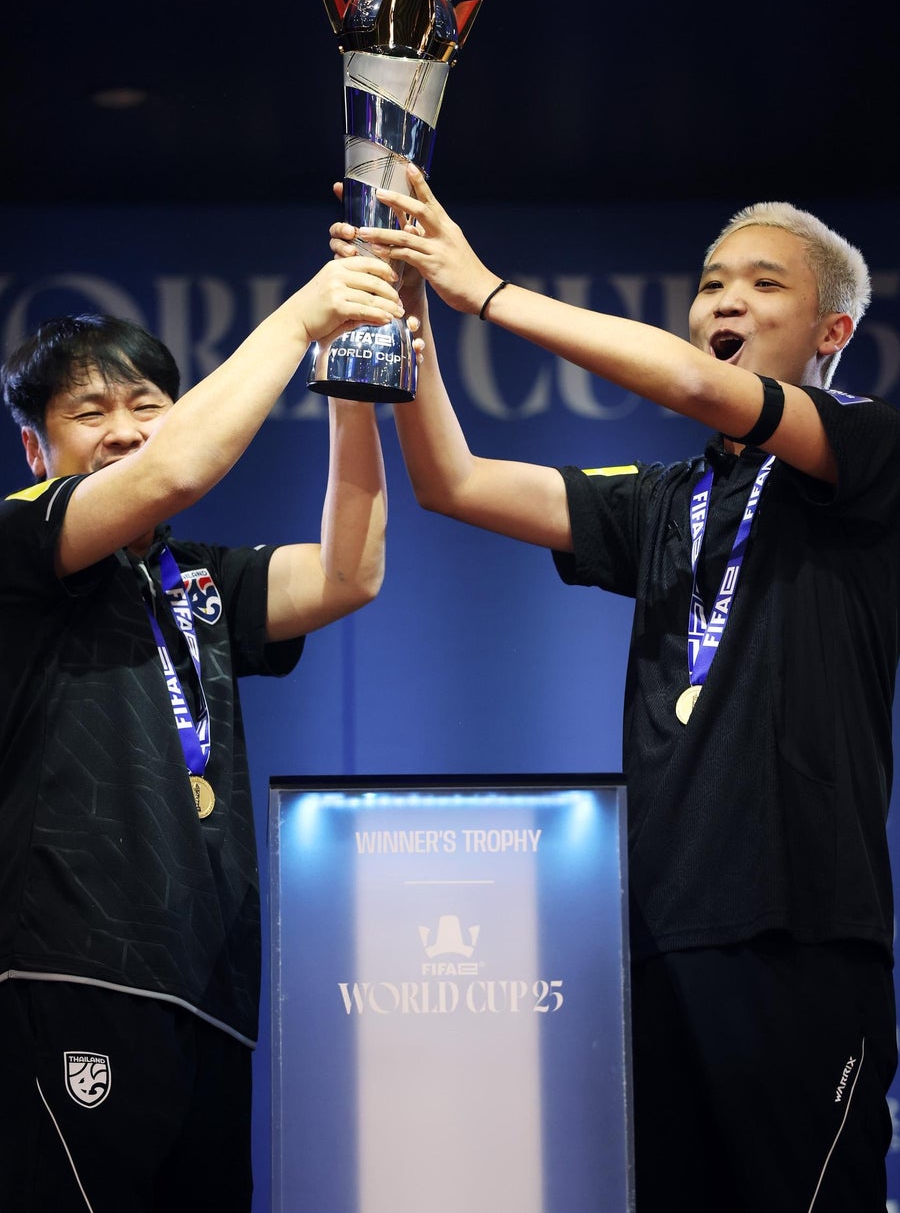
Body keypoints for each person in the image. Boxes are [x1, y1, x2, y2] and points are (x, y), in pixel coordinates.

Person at [332, 164, 899, 1212]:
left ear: (834, 330)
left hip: (801, 927)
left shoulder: (867, 449)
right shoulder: (667, 499)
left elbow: (699, 389)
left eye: (764, 284)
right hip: (656, 932)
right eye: (713, 283)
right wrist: (410, 315)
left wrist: (485, 290)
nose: (727, 301)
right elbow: (453, 482)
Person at [0, 252, 401, 1212]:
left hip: (210, 992)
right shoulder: (21, 541)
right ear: (36, 451)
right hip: (69, 972)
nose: (125, 430)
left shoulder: (198, 581)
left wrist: (351, 389)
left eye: (147, 405)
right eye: (89, 413)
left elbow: (348, 574)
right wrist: (302, 317)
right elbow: (176, 469)